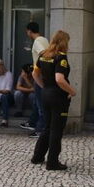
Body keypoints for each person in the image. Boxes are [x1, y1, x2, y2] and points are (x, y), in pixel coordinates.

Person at [30, 31, 75, 169]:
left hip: (46, 94)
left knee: (47, 127)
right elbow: (59, 79)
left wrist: (44, 86)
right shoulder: (61, 57)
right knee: (57, 129)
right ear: (64, 42)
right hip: (58, 97)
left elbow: (34, 73)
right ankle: (52, 162)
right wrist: (71, 91)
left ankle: (37, 157)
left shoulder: (43, 55)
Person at [21, 22, 49, 137]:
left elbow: (43, 54)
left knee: (40, 104)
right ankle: (33, 122)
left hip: (40, 76)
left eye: (27, 31)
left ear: (29, 31)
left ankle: (40, 130)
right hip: (44, 75)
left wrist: (38, 69)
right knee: (37, 102)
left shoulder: (37, 41)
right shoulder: (44, 39)